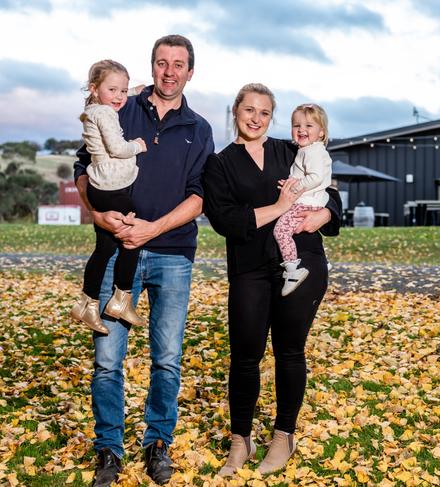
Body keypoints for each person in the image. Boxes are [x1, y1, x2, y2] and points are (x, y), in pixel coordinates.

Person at [74, 35, 214, 487]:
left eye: (178, 64)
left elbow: (200, 196)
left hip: (173, 254)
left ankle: (157, 444)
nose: (169, 72)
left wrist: (153, 229)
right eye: (161, 63)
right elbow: (83, 167)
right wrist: (97, 213)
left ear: (190, 71)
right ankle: (109, 450)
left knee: (167, 359)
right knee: (108, 360)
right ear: (150, 67)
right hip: (117, 249)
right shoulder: (122, 107)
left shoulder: (200, 127)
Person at [202, 83, 341, 477]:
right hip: (249, 268)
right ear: (236, 112)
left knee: (289, 351)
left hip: (301, 263)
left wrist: (326, 214)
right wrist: (278, 206)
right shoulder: (221, 163)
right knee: (245, 355)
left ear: (271, 117)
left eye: (264, 112)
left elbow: (331, 192)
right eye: (249, 110)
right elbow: (227, 222)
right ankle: (240, 439)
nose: (256, 118)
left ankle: (283, 435)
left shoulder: (291, 149)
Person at [71, 59, 148, 335]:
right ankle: (121, 298)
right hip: (111, 184)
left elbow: (119, 93)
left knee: (104, 248)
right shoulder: (106, 114)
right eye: (113, 90)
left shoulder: (95, 109)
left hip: (100, 185)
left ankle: (87, 303)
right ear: (94, 88)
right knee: (133, 235)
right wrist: (137, 146)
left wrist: (137, 90)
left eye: (124, 91)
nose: (119, 97)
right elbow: (117, 148)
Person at [273, 103, 332, 296]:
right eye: (297, 125)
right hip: (311, 201)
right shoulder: (307, 150)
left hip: (305, 203)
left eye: (309, 126)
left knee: (281, 231)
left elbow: (315, 177)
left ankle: (292, 271)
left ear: (321, 132)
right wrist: (291, 182)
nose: (302, 130)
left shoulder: (312, 151)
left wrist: (295, 188)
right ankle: (325, 262)